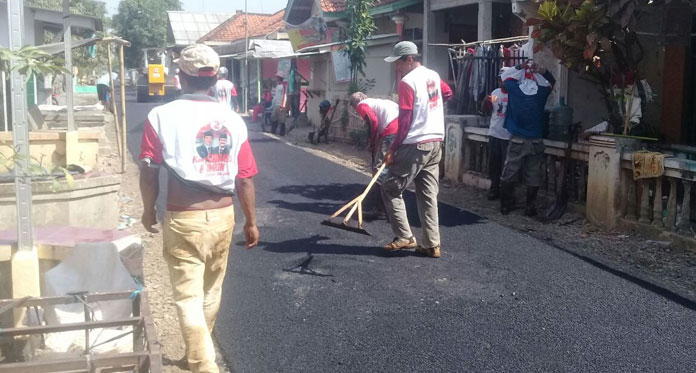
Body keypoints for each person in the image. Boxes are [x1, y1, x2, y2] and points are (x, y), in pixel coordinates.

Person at [138, 44, 259, 373]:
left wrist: (148, 210)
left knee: (187, 295)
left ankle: (203, 364)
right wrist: (251, 222)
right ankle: (200, 353)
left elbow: (148, 171)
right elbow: (245, 179)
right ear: (214, 77)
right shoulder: (232, 119)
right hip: (223, 217)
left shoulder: (160, 116)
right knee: (210, 290)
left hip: (183, 218)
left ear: (180, 77)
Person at [381, 41, 452, 258]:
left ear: (409, 59)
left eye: (399, 63)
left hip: (415, 143)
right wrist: (432, 113)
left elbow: (405, 120)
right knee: (428, 194)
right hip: (435, 142)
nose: (397, 68)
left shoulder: (407, 82)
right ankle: (431, 244)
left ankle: (404, 236)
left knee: (390, 188)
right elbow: (447, 93)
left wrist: (393, 148)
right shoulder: (432, 75)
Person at [499, 61, 555, 216]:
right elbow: (551, 82)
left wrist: (520, 67)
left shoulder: (515, 90)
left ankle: (506, 205)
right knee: (533, 174)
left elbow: (505, 76)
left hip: (518, 139)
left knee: (510, 171)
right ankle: (530, 207)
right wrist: (542, 70)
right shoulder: (541, 93)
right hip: (536, 141)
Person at [350, 92, 399, 218]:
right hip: (401, 133)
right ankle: (390, 207)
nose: (357, 111)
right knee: (390, 169)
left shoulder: (362, 105)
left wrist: (371, 140)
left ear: (355, 103)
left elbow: (373, 121)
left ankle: (379, 207)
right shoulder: (379, 102)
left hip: (391, 132)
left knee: (379, 169)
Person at [481, 68, 511, 201]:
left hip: (508, 135)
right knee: (494, 163)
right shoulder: (496, 93)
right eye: (499, 79)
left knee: (507, 166)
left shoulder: (514, 94)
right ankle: (494, 189)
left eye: (503, 79)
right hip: (495, 133)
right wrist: (485, 101)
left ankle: (507, 192)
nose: (500, 82)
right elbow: (486, 108)